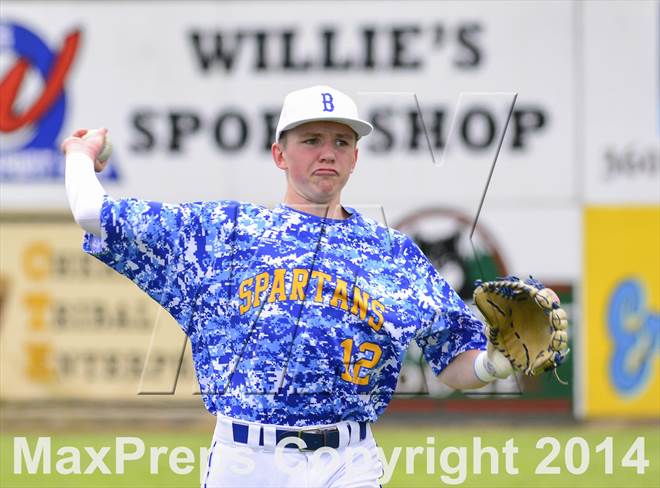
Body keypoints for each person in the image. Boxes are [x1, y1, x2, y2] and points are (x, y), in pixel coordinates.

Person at [62, 85, 513, 487]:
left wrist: (494, 363)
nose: (327, 153)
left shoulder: (393, 254)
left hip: (348, 461)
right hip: (246, 459)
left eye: (341, 142)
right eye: (311, 140)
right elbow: (90, 212)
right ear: (280, 154)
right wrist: (81, 154)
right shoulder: (223, 231)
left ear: (355, 158)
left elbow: (453, 360)